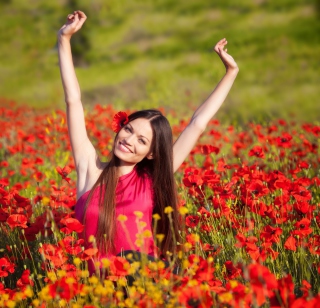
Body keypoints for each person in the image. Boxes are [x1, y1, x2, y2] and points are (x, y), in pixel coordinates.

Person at [57, 10, 239, 274]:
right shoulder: (90, 171)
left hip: (143, 287)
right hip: (94, 291)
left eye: (142, 140)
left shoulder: (152, 179)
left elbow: (197, 123)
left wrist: (231, 72)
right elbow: (73, 101)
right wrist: (64, 39)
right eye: (128, 130)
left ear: (152, 153)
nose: (129, 140)